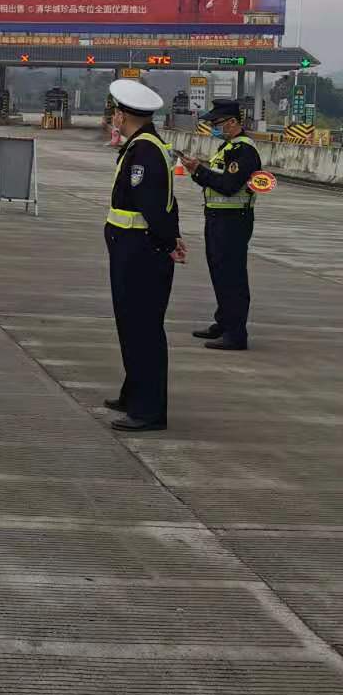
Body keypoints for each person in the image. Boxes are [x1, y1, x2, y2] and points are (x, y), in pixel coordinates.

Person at [104, 79, 187, 432]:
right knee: (131, 324)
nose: (113, 118)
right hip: (133, 249)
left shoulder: (145, 152)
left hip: (141, 252)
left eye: (114, 113)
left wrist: (168, 243)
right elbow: (168, 201)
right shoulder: (143, 146)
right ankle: (133, 393)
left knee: (143, 329)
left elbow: (152, 205)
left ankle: (149, 411)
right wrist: (173, 236)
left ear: (123, 116)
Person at [178, 99, 260, 351]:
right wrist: (197, 171)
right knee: (219, 273)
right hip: (218, 218)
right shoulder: (227, 147)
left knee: (232, 276)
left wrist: (200, 171)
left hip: (233, 221)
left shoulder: (243, 150)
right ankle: (224, 323)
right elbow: (216, 182)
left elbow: (228, 185)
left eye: (217, 123)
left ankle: (236, 334)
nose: (214, 127)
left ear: (233, 122)